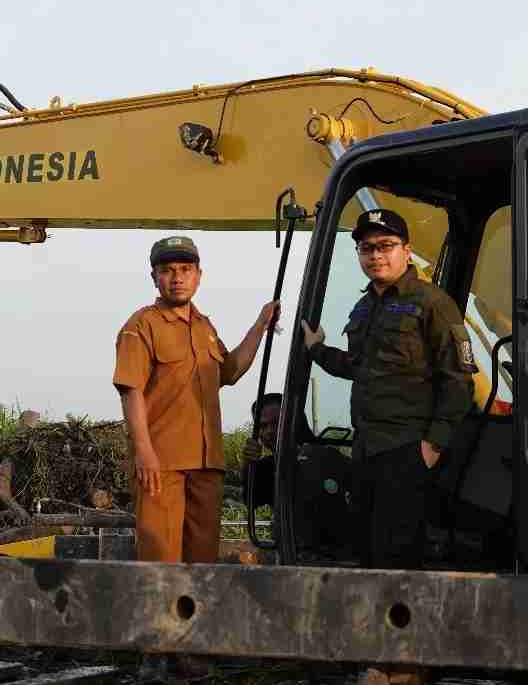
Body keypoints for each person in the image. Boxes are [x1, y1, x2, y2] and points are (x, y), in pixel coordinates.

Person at [300, 209, 475, 570]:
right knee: (366, 553)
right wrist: (316, 349)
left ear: (406, 251)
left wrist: (433, 446)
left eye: (386, 246)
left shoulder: (433, 303)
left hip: (407, 449)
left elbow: (459, 380)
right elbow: (358, 367)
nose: (376, 255)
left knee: (397, 557)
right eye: (367, 248)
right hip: (366, 449)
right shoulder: (364, 307)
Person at [113, 235, 278, 565]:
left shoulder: (205, 328)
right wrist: (144, 452)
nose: (177, 277)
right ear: (154, 277)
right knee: (160, 562)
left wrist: (261, 326)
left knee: (203, 563)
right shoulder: (141, 325)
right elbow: (131, 390)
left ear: (199, 276)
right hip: (162, 466)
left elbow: (230, 371)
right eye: (167, 270)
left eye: (185, 269)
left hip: (207, 466)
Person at [242, 392, 352, 553]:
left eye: (277, 423)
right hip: (295, 556)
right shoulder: (266, 468)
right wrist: (248, 464)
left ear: (295, 421)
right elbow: (251, 499)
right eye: (263, 426)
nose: (269, 431)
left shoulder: (331, 459)